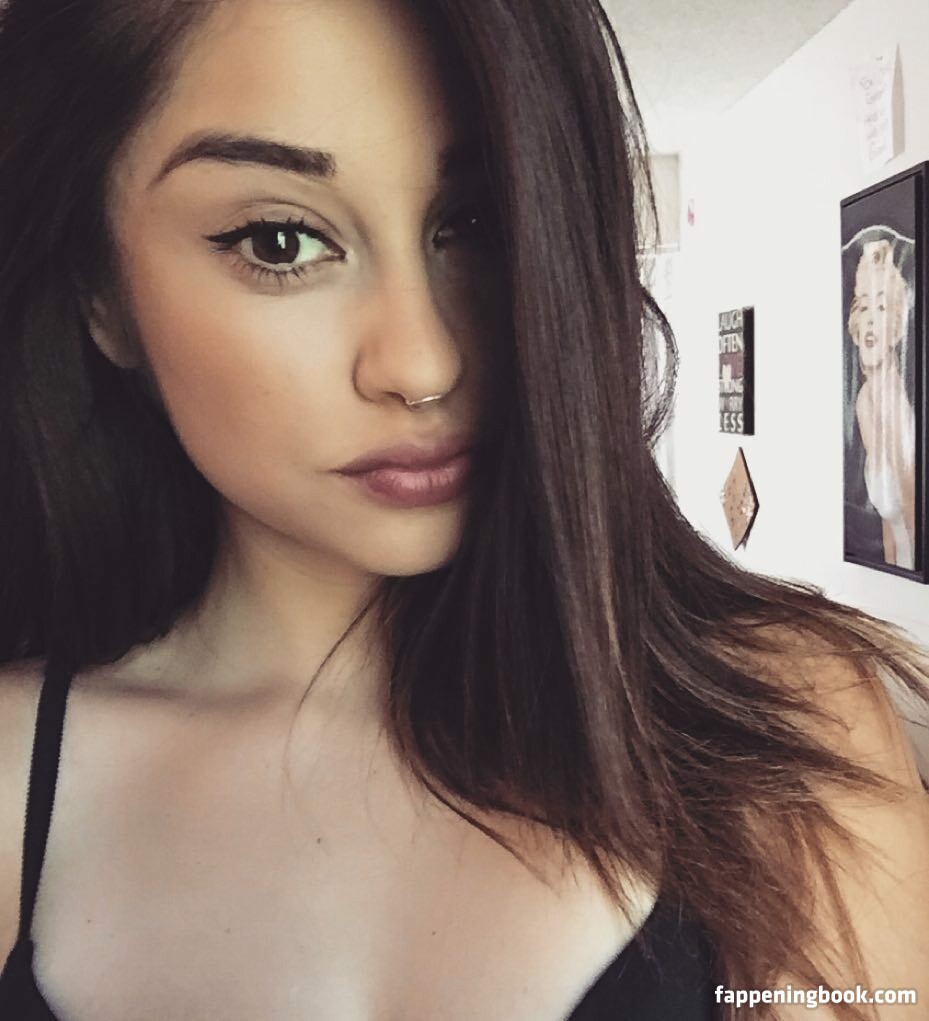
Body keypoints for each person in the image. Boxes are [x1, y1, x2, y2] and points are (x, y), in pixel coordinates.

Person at [0, 1, 927, 1019]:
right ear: (101, 291)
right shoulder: (13, 772)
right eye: (279, 240)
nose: (422, 361)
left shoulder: (780, 727)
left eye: (477, 225)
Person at [848, 239, 917, 570]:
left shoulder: (896, 403)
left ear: (896, 328)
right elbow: (889, 524)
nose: (871, 321)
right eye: (864, 307)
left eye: (881, 307)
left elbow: (911, 509)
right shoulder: (864, 400)